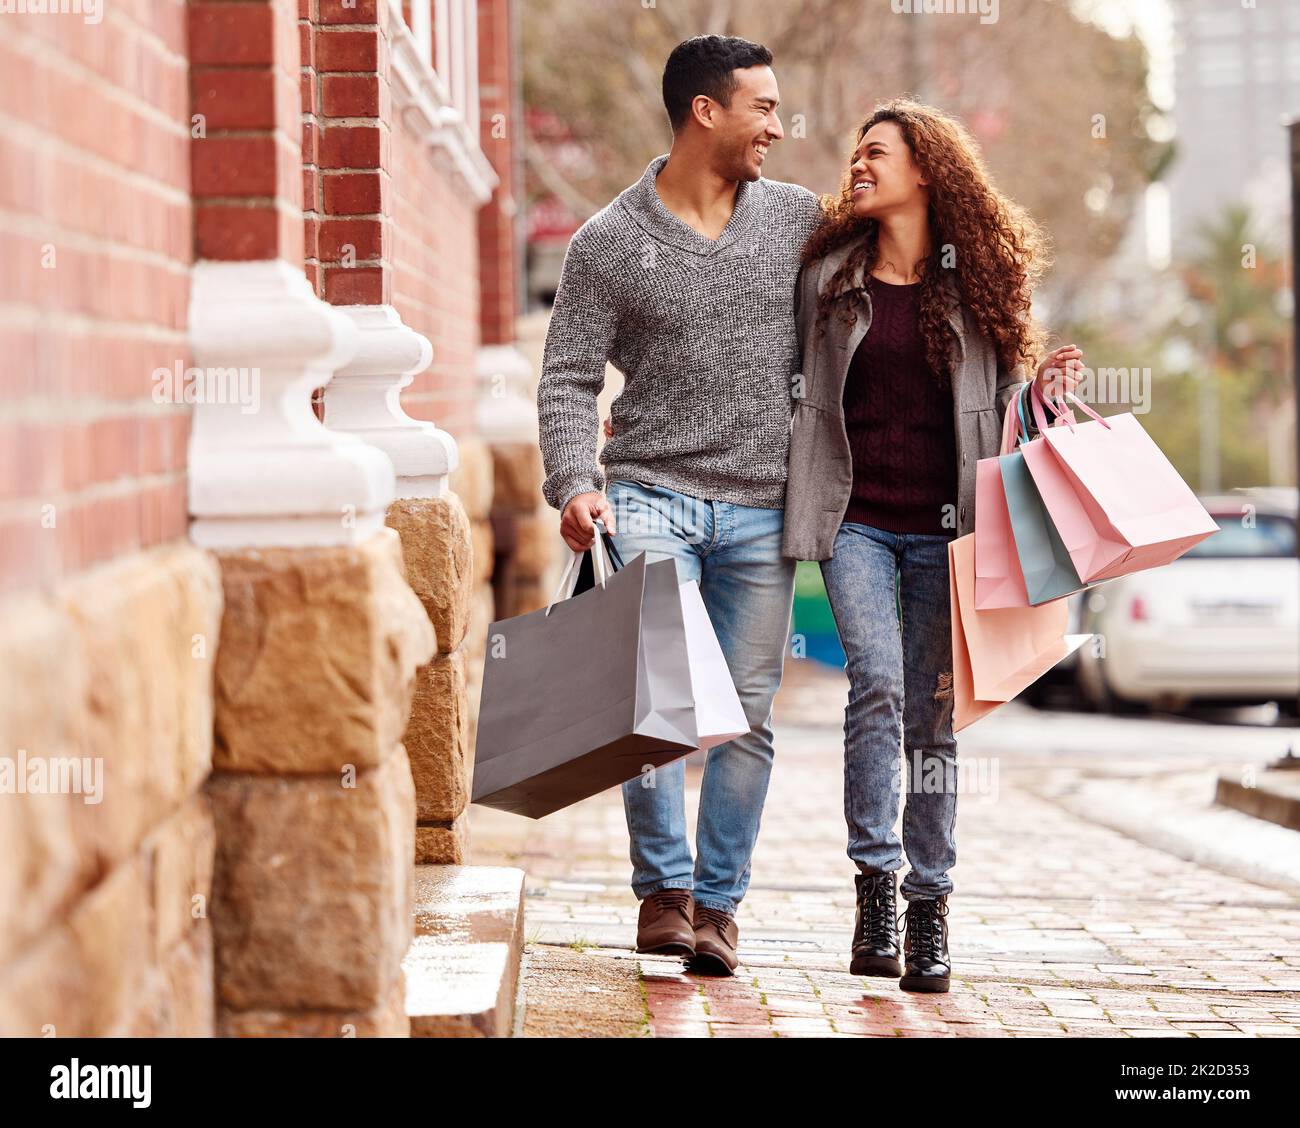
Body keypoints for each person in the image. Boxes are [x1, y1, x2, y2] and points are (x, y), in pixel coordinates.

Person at [782, 99, 1083, 993]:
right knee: (875, 683)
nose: (860, 166)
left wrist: (1047, 392)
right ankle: (875, 884)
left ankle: (930, 904)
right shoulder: (830, 275)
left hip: (951, 533)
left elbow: (1013, 412)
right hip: (855, 522)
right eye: (857, 154)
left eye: (877, 153)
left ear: (927, 171)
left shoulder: (980, 278)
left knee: (935, 716)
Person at [536, 34, 822, 975]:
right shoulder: (609, 242)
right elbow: (570, 377)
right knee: (653, 699)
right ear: (707, 111)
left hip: (763, 510)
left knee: (744, 714)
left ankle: (718, 907)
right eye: (764, 108)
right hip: (651, 493)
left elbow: (889, 295)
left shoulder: (797, 222)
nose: (778, 126)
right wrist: (576, 481)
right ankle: (663, 892)